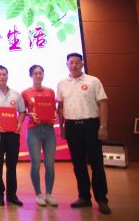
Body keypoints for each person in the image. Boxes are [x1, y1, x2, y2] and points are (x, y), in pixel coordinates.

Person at [57, 53, 111, 215]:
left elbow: (103, 104)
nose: (74, 65)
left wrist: (103, 126)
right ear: (67, 65)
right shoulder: (62, 84)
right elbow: (61, 107)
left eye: (77, 62)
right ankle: (84, 197)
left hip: (91, 125)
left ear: (82, 64)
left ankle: (102, 199)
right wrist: (62, 127)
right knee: (78, 164)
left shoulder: (93, 81)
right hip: (72, 127)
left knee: (96, 164)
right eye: (71, 62)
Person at [0, 65, 26, 206]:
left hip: (13, 133)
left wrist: (19, 124)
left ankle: (11, 195)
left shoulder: (16, 94)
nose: (2, 77)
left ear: (7, 76)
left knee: (12, 165)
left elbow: (22, 111)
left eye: (4, 74)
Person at [22, 64, 58, 207]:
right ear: (30, 75)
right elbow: (22, 111)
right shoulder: (25, 93)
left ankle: (49, 194)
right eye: (35, 73)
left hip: (49, 131)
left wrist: (54, 115)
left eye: (40, 73)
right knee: (36, 163)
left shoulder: (50, 91)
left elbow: (53, 109)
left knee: (49, 163)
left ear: (43, 75)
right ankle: (38, 194)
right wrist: (30, 114)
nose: (38, 75)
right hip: (33, 131)